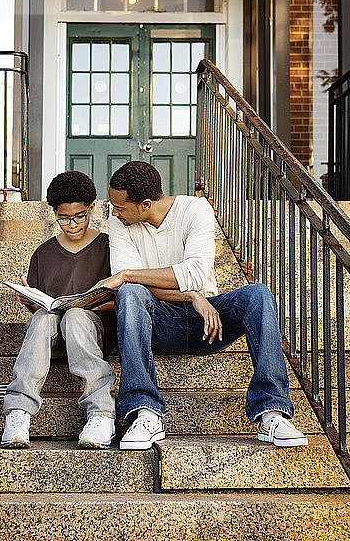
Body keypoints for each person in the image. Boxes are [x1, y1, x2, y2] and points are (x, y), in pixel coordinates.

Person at [91, 161, 307, 451]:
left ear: (144, 204)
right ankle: (146, 412)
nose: (113, 213)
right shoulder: (118, 223)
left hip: (210, 324)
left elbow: (193, 272)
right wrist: (192, 296)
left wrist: (131, 275)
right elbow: (129, 283)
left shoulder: (196, 209)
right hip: (158, 322)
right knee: (130, 294)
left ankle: (272, 412)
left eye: (119, 207)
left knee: (259, 294)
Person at [1, 171, 116, 449]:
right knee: (42, 318)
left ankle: (101, 413)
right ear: (54, 213)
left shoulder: (108, 246)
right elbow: (42, 304)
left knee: (76, 316)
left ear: (91, 208)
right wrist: (31, 303)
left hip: (92, 333)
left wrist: (90, 303)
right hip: (53, 337)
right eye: (64, 218)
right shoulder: (44, 253)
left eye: (79, 216)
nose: (72, 224)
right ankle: (18, 412)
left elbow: (120, 299)